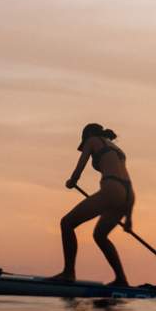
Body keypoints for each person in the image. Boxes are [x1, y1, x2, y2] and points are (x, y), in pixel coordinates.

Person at [48, 123, 134, 286]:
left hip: (111, 189)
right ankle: (121, 279)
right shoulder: (118, 150)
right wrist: (129, 218)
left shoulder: (92, 140)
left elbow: (82, 162)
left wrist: (73, 180)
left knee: (66, 223)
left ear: (87, 136)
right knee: (100, 236)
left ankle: (68, 273)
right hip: (128, 195)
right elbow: (127, 181)